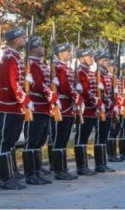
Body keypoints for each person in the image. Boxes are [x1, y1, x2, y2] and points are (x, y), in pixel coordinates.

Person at [0, 26, 33, 190]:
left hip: (15, 106)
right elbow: (12, 84)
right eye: (22, 37)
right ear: (15, 40)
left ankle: (11, 174)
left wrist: (28, 82)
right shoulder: (10, 57)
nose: (25, 39)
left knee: (10, 141)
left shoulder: (17, 57)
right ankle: (5, 179)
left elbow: (19, 82)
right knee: (4, 142)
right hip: (8, 105)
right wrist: (24, 100)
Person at [22, 36, 56, 185]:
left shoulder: (41, 64)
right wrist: (49, 93)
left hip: (44, 106)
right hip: (35, 104)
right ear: (33, 49)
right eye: (39, 46)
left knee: (39, 140)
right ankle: (30, 174)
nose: (42, 48)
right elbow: (37, 85)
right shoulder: (30, 64)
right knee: (32, 140)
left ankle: (37, 170)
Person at [51, 42, 83, 180]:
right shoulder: (57, 67)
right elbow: (64, 86)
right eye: (68, 51)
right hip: (62, 105)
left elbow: (69, 84)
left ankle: (63, 168)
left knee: (64, 139)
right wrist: (77, 96)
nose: (70, 53)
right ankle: (59, 170)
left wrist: (77, 87)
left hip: (69, 106)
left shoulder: (67, 68)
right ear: (60, 53)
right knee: (59, 138)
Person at [74, 48, 98, 175]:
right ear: (82, 58)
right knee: (81, 137)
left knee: (85, 138)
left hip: (91, 109)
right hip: (84, 109)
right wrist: (95, 100)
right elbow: (84, 91)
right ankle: (81, 166)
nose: (92, 59)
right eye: (89, 56)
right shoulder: (81, 72)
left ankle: (84, 165)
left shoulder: (89, 72)